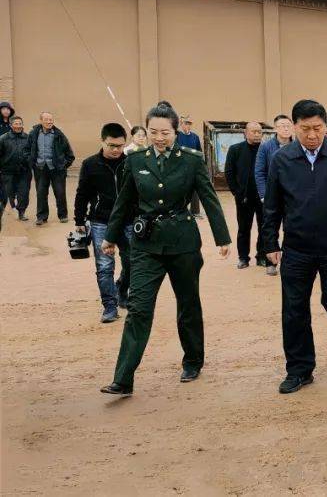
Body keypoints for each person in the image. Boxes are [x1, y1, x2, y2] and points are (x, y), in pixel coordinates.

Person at [99, 101, 231, 396]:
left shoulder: (191, 159)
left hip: (183, 243)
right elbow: (123, 203)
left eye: (165, 133)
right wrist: (109, 236)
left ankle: (193, 360)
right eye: (154, 132)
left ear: (175, 132)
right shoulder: (135, 161)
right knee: (138, 309)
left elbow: (208, 198)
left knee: (188, 305)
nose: (159, 138)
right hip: (146, 245)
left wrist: (222, 237)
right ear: (146, 131)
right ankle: (123, 378)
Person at [262, 99, 327, 394]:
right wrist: (270, 242)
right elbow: (272, 206)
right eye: (305, 129)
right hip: (297, 249)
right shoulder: (282, 160)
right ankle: (299, 369)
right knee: (294, 311)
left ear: (326, 127)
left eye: (317, 129)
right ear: (294, 127)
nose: (311, 135)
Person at [74, 123, 133, 323]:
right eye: (112, 145)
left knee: (133, 261)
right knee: (105, 266)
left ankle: (122, 289)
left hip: (129, 221)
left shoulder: (131, 162)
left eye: (120, 146)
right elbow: (82, 194)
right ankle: (109, 306)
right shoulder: (90, 164)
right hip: (101, 222)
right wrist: (79, 220)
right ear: (102, 141)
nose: (116, 150)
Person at [255, 114, 293, 276]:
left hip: (293, 196)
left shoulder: (298, 146)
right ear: (275, 128)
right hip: (273, 196)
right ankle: (271, 262)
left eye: (288, 125)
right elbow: (259, 172)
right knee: (271, 228)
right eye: (282, 125)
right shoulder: (266, 147)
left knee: (292, 229)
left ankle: (291, 261)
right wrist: (264, 195)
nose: (285, 128)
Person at [225, 121, 266, 270]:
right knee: (243, 228)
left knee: (264, 227)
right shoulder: (235, 150)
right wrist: (236, 191)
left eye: (259, 132)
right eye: (254, 131)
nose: (257, 134)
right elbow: (229, 173)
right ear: (245, 133)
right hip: (244, 198)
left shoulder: (265, 149)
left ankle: (261, 256)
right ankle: (243, 258)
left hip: (263, 197)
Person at [27, 111, 76, 226]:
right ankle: (41, 217)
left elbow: (69, 154)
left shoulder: (59, 135)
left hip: (57, 170)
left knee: (60, 193)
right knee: (41, 193)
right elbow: (27, 149)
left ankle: (63, 215)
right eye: (46, 119)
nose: (49, 122)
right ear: (41, 120)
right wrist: (31, 162)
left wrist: (63, 165)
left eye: (51, 120)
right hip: (40, 168)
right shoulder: (34, 134)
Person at [0, 115, 31, 221]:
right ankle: (10, 214)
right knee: (9, 194)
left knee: (24, 193)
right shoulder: (3, 138)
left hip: (24, 172)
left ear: (22, 125)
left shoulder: (28, 138)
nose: (18, 126)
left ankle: (21, 213)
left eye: (20, 124)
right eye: (16, 124)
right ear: (11, 125)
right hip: (7, 172)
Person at [176, 114, 204, 219]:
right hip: (181, 167)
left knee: (195, 190)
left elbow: (199, 152)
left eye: (189, 123)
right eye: (185, 123)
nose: (187, 125)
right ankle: (180, 210)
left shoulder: (195, 137)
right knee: (181, 189)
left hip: (193, 167)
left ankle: (195, 212)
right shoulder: (177, 136)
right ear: (181, 124)